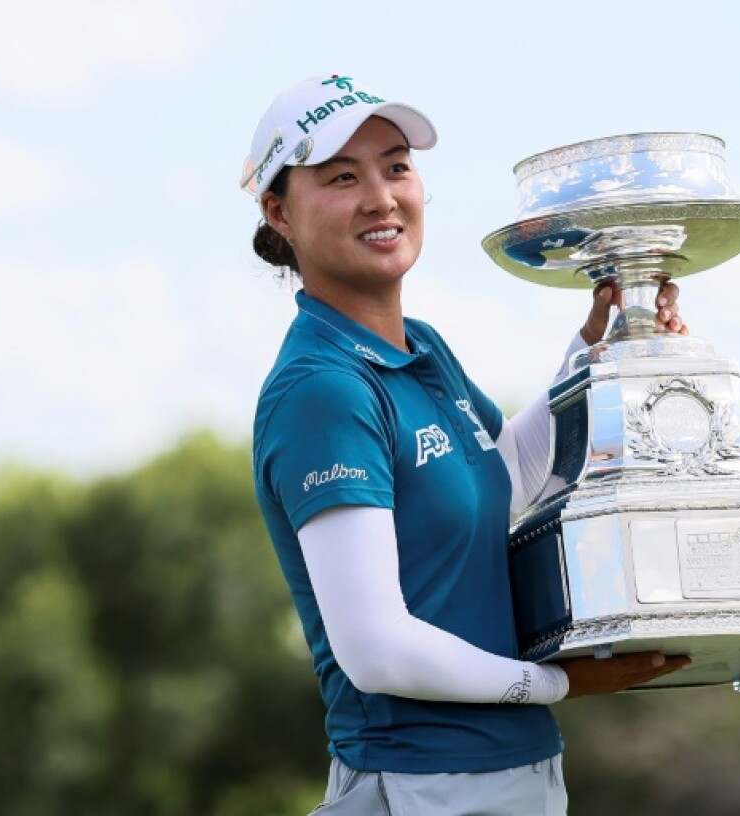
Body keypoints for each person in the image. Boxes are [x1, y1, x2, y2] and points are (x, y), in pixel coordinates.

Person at [244, 73, 691, 815]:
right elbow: (377, 649)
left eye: (395, 167)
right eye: (341, 177)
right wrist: (558, 682)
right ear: (278, 212)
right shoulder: (322, 389)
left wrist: (599, 353)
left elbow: (504, 477)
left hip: (520, 770)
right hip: (418, 784)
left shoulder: (421, 349)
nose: (381, 197)